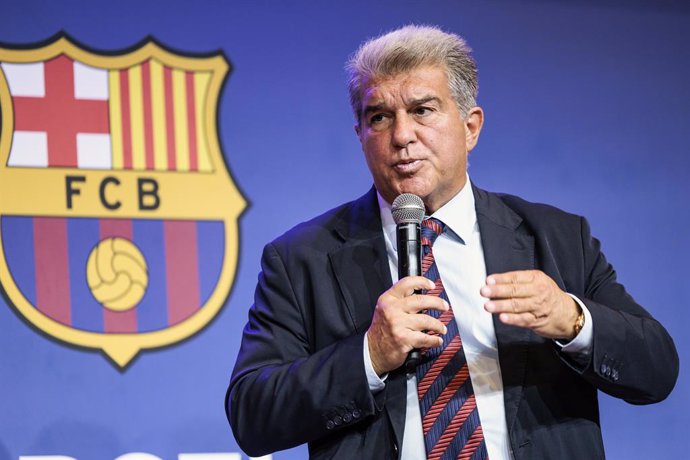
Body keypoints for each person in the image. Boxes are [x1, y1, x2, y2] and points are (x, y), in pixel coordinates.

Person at [225, 25, 678, 460]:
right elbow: (251, 414)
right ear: (360, 136)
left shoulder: (557, 237)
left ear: (470, 126)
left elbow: (656, 371)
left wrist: (572, 320)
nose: (401, 136)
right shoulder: (301, 258)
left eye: (422, 110)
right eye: (379, 117)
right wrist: (370, 354)